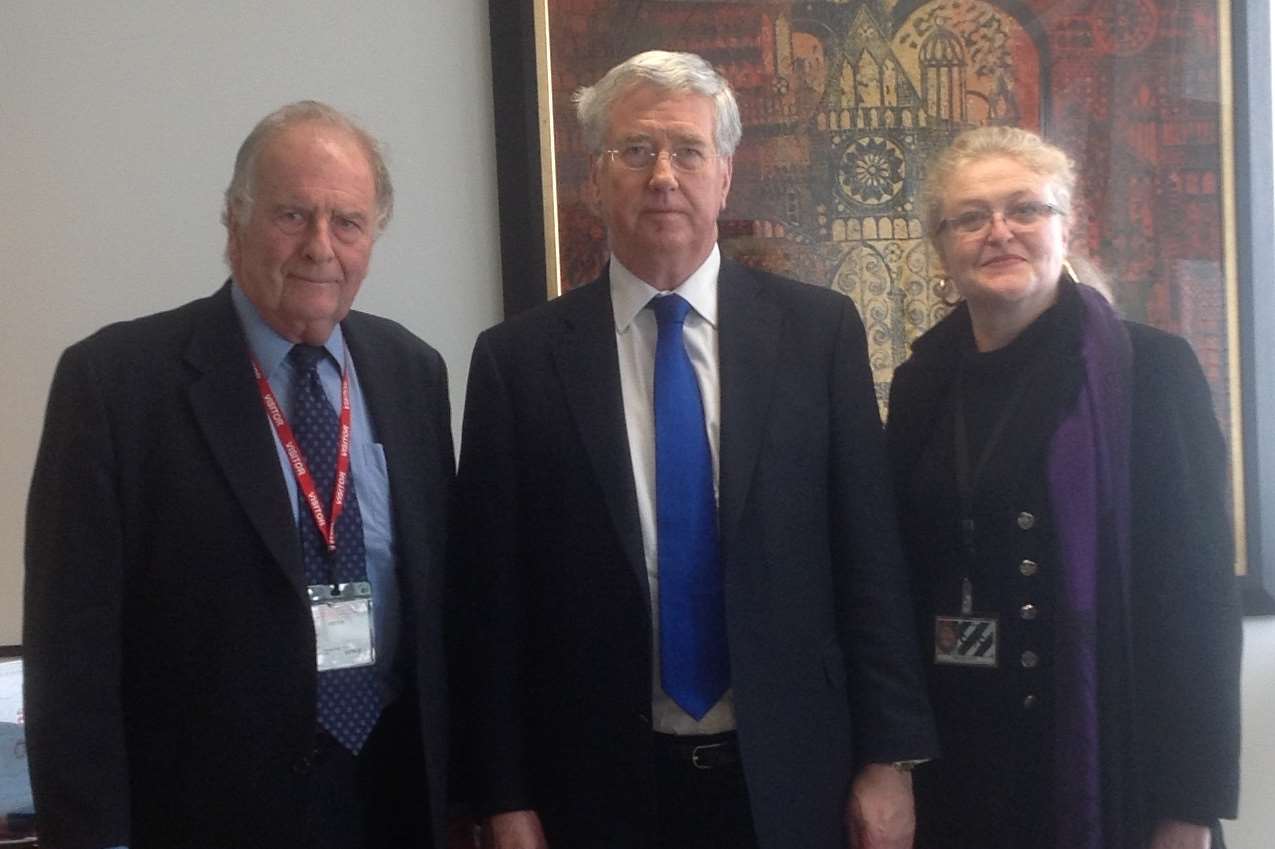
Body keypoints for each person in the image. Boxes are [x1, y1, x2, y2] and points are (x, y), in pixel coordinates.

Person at [452, 50, 937, 849]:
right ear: (595, 178)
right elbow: (490, 600)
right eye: (635, 151)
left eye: (687, 150)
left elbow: (870, 561)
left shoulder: (819, 334)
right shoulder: (518, 361)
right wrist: (502, 797)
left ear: (724, 175)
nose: (662, 175)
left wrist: (891, 758)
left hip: (790, 775)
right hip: (594, 786)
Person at [24, 101, 454, 849]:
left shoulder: (412, 371)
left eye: (347, 221)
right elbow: (71, 659)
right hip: (203, 813)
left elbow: (443, 609)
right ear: (234, 220)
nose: (321, 246)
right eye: (293, 214)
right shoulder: (117, 384)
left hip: (391, 799)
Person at [886, 125, 1242, 849]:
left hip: (1110, 759)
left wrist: (1187, 808)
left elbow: (1197, 602)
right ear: (941, 244)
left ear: (1065, 224)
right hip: (957, 767)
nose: (999, 232)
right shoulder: (920, 382)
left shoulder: (1149, 371)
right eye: (970, 216)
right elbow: (897, 575)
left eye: (1025, 209)